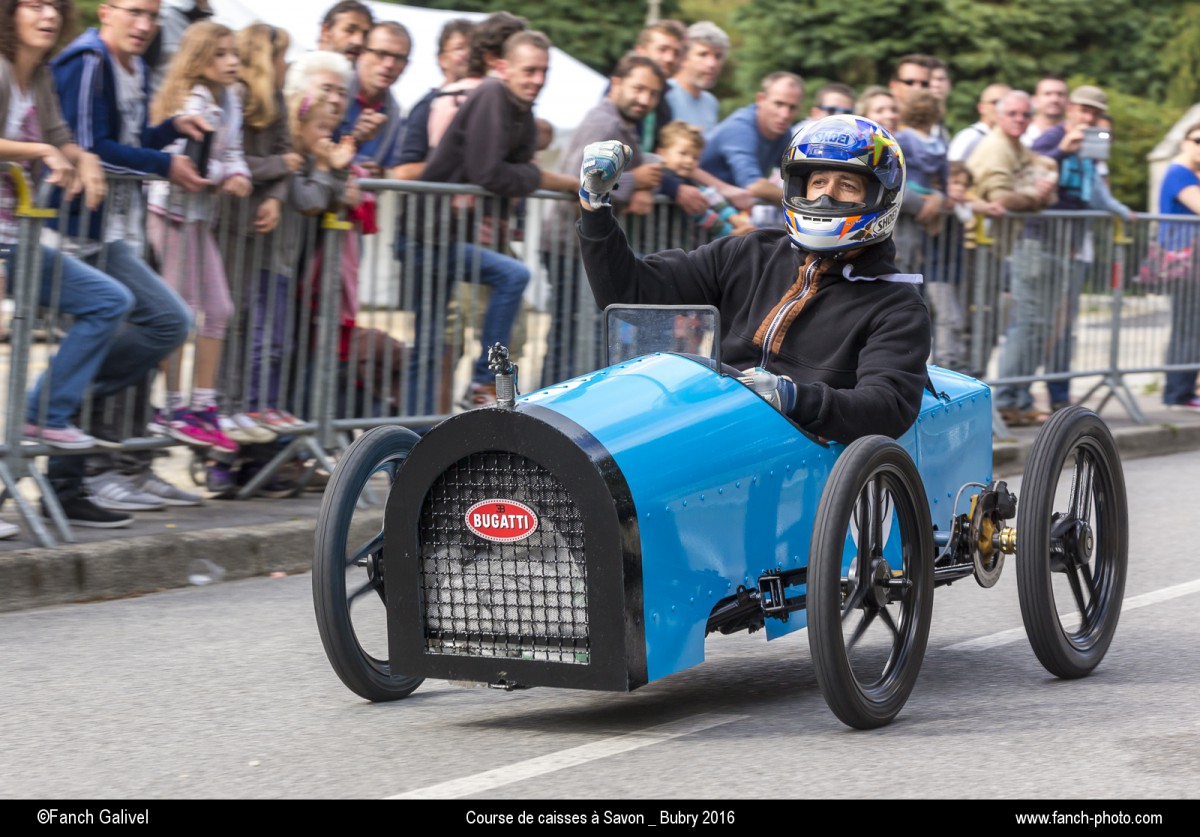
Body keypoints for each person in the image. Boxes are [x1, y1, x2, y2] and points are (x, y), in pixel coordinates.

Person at [575, 115, 931, 443]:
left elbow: (888, 405)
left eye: (847, 185)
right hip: (716, 427)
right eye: (817, 181)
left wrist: (793, 397)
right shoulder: (750, 252)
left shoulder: (895, 303)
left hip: (798, 454)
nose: (825, 196)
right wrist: (595, 209)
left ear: (881, 197)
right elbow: (629, 294)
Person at [50, 0, 206, 516]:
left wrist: (168, 130)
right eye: (135, 12)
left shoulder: (131, 64)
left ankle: (58, 401)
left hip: (112, 231)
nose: (145, 25)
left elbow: (127, 140)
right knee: (108, 323)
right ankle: (65, 486)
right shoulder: (87, 60)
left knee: (169, 320)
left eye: (153, 15)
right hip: (70, 231)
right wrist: (166, 162)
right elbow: (90, 147)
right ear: (106, 10)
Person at [0, 0, 137, 527]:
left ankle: (43, 413)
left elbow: (62, 137)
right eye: (33, 4)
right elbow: (44, 145)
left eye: (55, 6)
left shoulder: (39, 78)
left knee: (108, 300)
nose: (48, 14)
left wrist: (84, 162)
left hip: (18, 238)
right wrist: (39, 152)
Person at [402, 30, 577, 411]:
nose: (537, 79)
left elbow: (510, 168)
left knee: (431, 344)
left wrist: (527, 174)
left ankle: (419, 440)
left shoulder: (522, 107)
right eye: (529, 70)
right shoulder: (492, 95)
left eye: (543, 71)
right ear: (502, 67)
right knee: (511, 277)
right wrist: (533, 177)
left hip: (447, 235)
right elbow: (490, 174)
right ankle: (482, 382)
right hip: (425, 234)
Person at [146, 20, 252, 453]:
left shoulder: (230, 100)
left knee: (219, 307)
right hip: (170, 215)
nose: (232, 62)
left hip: (197, 218)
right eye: (221, 54)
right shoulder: (190, 99)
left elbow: (231, 154)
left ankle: (202, 405)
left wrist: (239, 173)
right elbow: (186, 160)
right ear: (199, 58)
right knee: (179, 311)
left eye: (234, 54)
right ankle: (171, 405)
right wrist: (227, 174)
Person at [541, 53, 666, 386]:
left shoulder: (619, 122)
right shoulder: (606, 122)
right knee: (573, 339)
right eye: (639, 89)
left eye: (653, 94)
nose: (645, 100)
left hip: (580, 242)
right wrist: (635, 182)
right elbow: (579, 181)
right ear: (617, 83)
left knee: (572, 337)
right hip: (573, 244)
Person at [1031, 84, 1131, 411]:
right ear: (1071, 109)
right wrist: (1062, 148)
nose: (1088, 118)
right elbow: (1031, 170)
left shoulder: (1092, 146)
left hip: (1072, 244)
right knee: (1040, 323)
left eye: (1095, 113)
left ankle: (1059, 395)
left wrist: (1121, 209)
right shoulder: (1051, 138)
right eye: (1084, 110)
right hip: (1044, 241)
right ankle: (1016, 396)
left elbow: (1095, 189)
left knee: (1065, 324)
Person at [966, 89, 1058, 426]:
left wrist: (1040, 186)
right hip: (977, 248)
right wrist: (1035, 194)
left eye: (1025, 115)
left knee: (992, 328)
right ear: (999, 115)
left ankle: (997, 403)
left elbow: (1045, 169)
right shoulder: (996, 146)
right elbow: (1003, 198)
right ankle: (979, 409)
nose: (1020, 120)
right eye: (1013, 114)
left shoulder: (1017, 146)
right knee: (975, 330)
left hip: (996, 247)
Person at [699, 71, 803, 205]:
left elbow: (798, 171)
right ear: (761, 100)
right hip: (694, 210)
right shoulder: (740, 128)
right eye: (778, 104)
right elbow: (754, 185)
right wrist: (803, 202)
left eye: (792, 107)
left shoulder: (783, 132)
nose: (785, 114)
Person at [389, 17, 472, 181]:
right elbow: (404, 171)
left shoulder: (490, 103)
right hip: (435, 204)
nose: (468, 54)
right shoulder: (426, 107)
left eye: (474, 48)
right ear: (442, 59)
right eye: (459, 48)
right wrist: (457, 164)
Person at [1155, 122, 1200, 410]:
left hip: (1191, 263)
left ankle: (1182, 390)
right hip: (1183, 263)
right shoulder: (1179, 174)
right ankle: (1177, 392)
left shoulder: (1190, 175)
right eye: (1198, 140)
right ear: (1184, 141)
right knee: (1187, 327)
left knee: (1191, 327)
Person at [657, 120, 753, 238]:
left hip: (677, 241)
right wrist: (728, 232)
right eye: (682, 153)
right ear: (662, 154)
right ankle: (732, 229)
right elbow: (700, 210)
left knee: (705, 195)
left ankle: (735, 223)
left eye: (695, 157)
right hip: (656, 242)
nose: (689, 161)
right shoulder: (662, 175)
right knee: (702, 200)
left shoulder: (687, 180)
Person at [340, 20, 409, 177]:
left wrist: (380, 173)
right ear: (362, 54)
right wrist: (354, 140)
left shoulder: (395, 113)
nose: (389, 64)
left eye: (399, 58)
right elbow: (312, 154)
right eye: (381, 54)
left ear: (406, 66)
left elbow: (389, 168)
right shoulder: (336, 90)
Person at [665, 20, 727, 133]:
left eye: (718, 57)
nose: (712, 64)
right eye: (703, 54)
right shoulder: (665, 93)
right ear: (683, 57)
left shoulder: (711, 103)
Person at [948, 82, 1011, 163]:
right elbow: (952, 169)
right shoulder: (969, 137)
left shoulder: (1015, 140)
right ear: (981, 108)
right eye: (996, 102)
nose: (1001, 108)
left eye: (1007, 104)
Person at [1022, 76, 1067, 147]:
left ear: (1068, 100)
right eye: (1048, 94)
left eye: (1060, 94)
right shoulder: (1021, 132)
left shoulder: (1074, 134)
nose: (1054, 99)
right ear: (1035, 100)